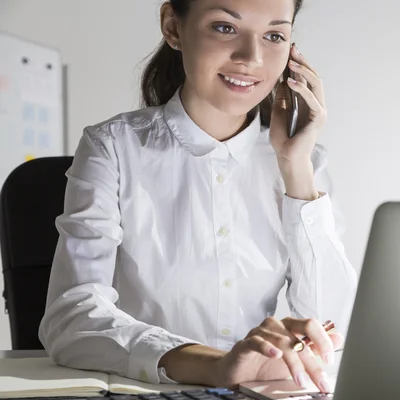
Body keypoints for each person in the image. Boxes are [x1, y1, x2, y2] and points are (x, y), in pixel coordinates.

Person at [38, 0, 357, 394]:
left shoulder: (302, 162)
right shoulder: (114, 147)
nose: (252, 57)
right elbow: (72, 318)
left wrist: (295, 168)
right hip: (144, 389)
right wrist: (217, 365)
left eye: (274, 35)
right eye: (225, 27)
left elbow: (333, 329)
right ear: (173, 27)